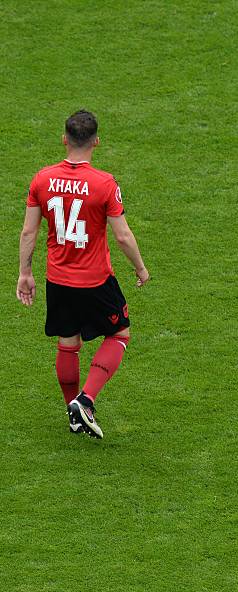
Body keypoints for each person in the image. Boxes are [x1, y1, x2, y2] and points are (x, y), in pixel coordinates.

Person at [17, 109, 149, 439]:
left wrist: (24, 273)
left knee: (67, 343)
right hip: (95, 279)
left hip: (57, 279)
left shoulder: (42, 179)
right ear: (96, 142)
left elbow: (28, 233)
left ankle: (73, 411)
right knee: (119, 334)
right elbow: (122, 235)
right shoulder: (104, 184)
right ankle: (86, 400)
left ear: (65, 139)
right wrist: (140, 268)